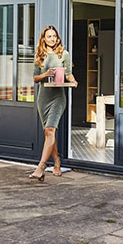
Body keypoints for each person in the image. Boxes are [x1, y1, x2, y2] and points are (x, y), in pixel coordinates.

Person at [29, 25, 76, 181]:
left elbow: (68, 74)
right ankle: (56, 161)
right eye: (49, 36)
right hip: (43, 98)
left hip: (58, 97)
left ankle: (41, 167)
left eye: (54, 36)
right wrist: (46, 74)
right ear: (44, 38)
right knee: (48, 133)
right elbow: (35, 78)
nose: (52, 39)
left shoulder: (64, 54)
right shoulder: (40, 55)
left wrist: (73, 81)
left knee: (50, 129)